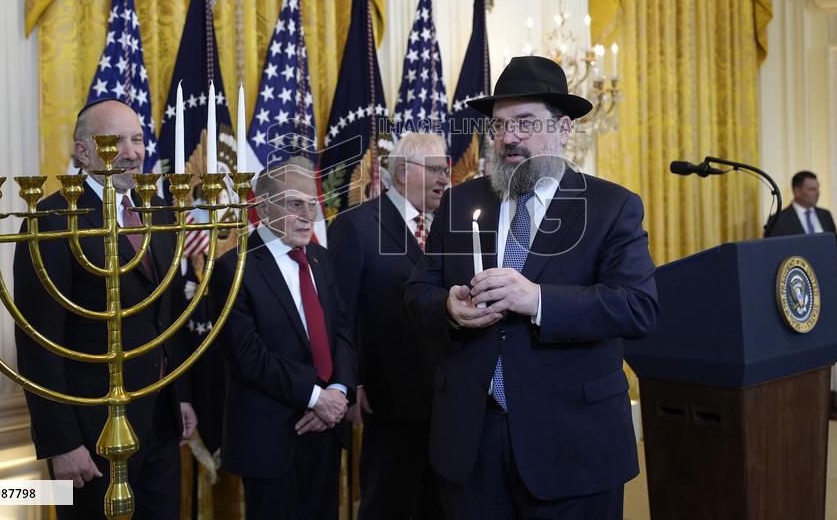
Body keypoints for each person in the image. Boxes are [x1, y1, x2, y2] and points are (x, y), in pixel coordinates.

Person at [403, 56, 659, 519]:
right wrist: (447, 307)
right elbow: (416, 291)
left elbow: (637, 307)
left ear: (564, 129)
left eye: (524, 123)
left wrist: (537, 300)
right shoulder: (462, 202)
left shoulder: (611, 206)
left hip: (573, 444)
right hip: (471, 442)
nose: (509, 138)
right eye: (499, 126)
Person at [13, 99, 196, 519]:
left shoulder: (158, 210)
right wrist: (61, 442)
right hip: (91, 434)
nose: (132, 153)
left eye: (138, 139)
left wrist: (181, 396)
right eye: (116, 141)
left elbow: (166, 315)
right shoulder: (53, 220)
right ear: (83, 152)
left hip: (161, 419)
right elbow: (38, 341)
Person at [212, 157, 357, 520]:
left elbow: (341, 330)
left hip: (326, 430)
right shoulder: (234, 268)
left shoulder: (321, 259)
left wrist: (338, 393)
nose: (309, 214)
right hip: (269, 439)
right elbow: (248, 357)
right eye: (295, 204)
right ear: (262, 207)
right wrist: (315, 398)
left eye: (313, 203)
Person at [329, 132, 449, 519]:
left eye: (445, 170)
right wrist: (353, 383)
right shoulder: (357, 227)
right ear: (401, 172)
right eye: (434, 169)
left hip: (448, 399)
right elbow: (340, 313)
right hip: (388, 399)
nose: (444, 179)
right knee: (390, 505)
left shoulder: (451, 227)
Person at [765, 170, 837, 265]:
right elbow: (773, 254)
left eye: (818, 188)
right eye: (812, 189)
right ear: (797, 192)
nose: (818, 193)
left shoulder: (825, 215)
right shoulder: (779, 220)